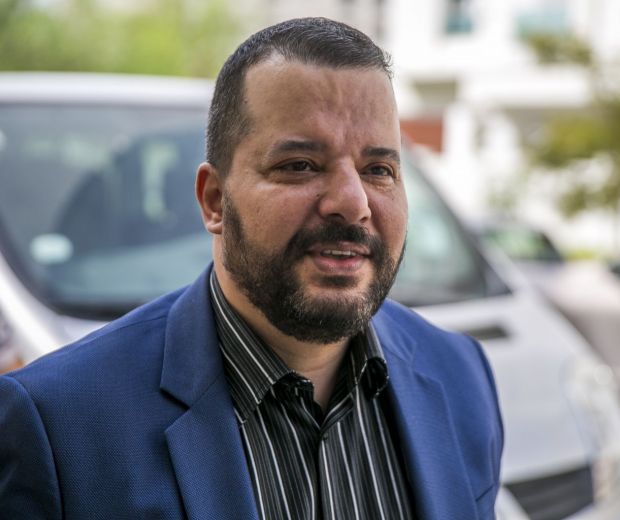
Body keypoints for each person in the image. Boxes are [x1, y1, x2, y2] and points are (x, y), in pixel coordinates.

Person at [0, 18, 503, 520]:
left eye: (378, 170)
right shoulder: (57, 426)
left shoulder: (461, 376)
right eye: (300, 165)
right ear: (215, 200)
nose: (353, 203)